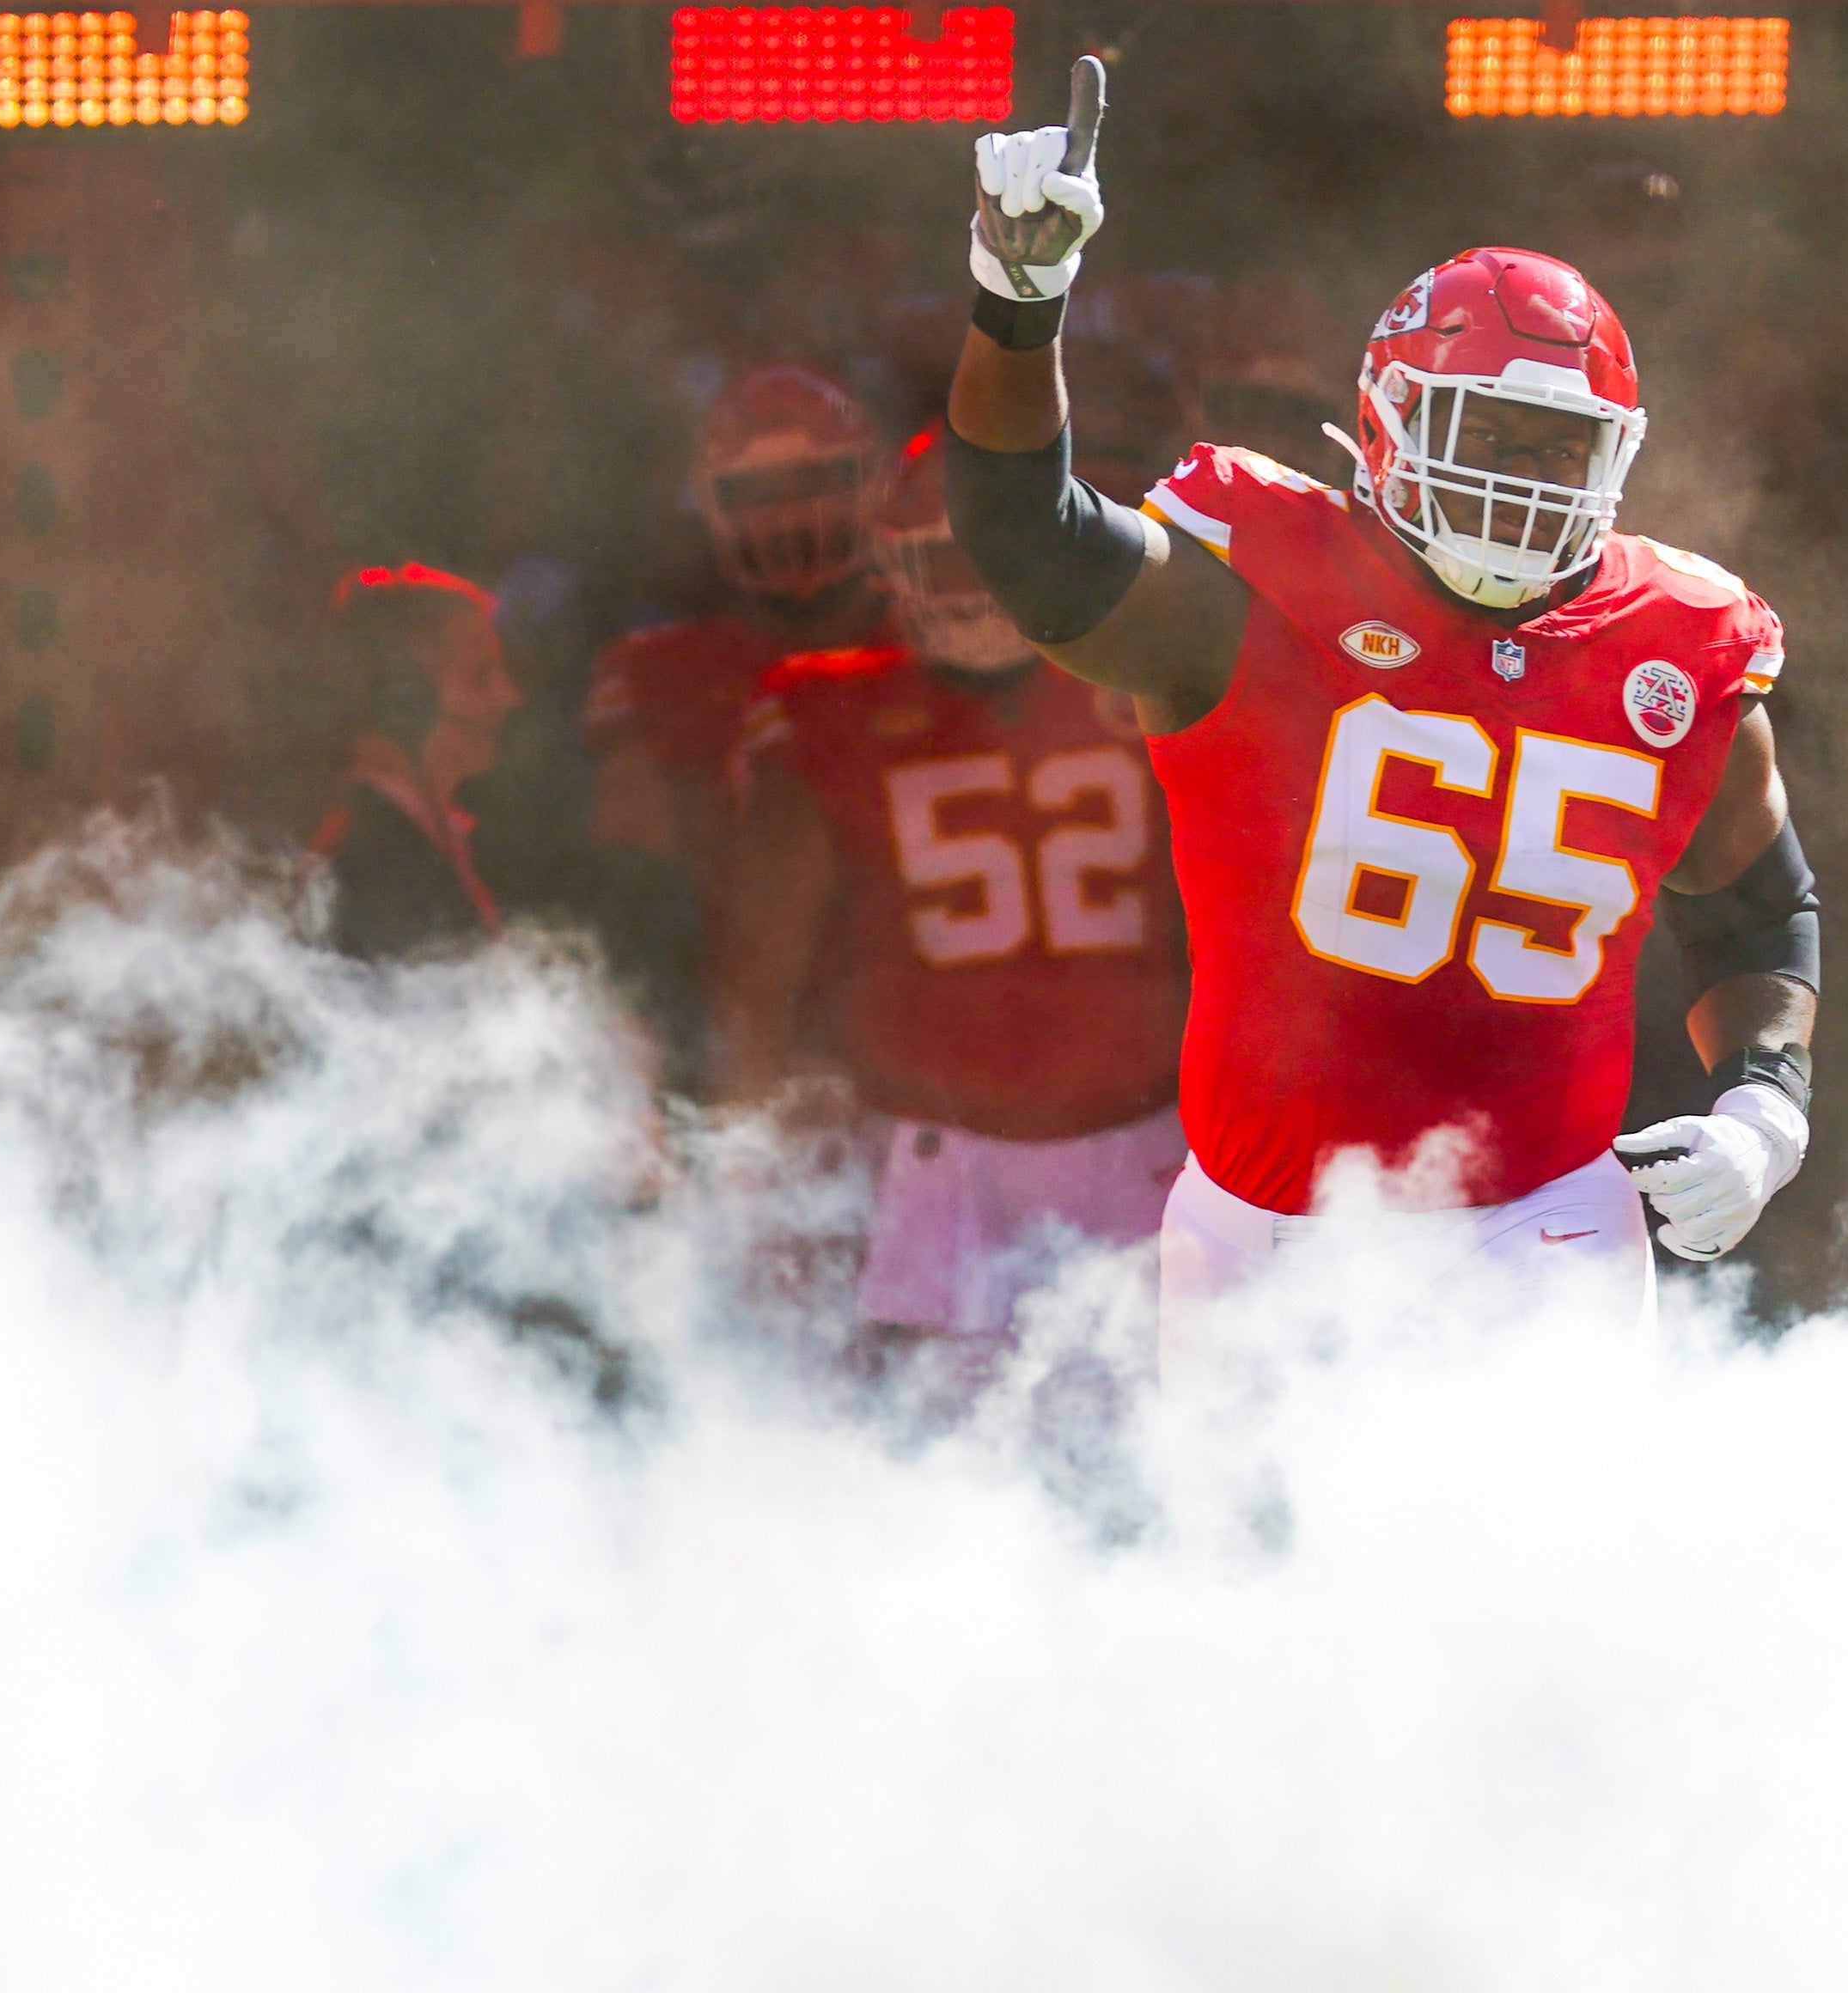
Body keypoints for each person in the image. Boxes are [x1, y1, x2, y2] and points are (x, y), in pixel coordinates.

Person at [936, 69, 1822, 1351]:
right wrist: (1018, 305)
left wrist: (1766, 1108)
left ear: (1616, 455)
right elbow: (1025, 540)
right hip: (1262, 1231)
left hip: (1540, 1228)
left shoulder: (1678, 647)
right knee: (1239, 1561)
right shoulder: (1262, 581)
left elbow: (1756, 912)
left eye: (1557, 446)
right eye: (1491, 429)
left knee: (1535, 1561)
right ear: (1391, 421)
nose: (1521, 477)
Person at [712, 430, 1189, 1340]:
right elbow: (759, 968)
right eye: (935, 557)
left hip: (1142, 1127)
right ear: (888, 565)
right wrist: (751, 1155)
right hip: (936, 1151)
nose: (967, 584)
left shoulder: (1149, 679)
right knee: (931, 1450)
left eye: (983, 552)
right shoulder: (824, 707)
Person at [584, 364, 887, 923]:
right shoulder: (658, 672)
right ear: (710, 507)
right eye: (758, 492)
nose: (792, 514)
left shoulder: (928, 649)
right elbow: (631, 888)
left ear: (872, 482)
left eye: (814, 481)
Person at [310, 564, 524, 961]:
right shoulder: (375, 861)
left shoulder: (413, 843)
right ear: (405, 701)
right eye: (481, 675)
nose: (510, 696)